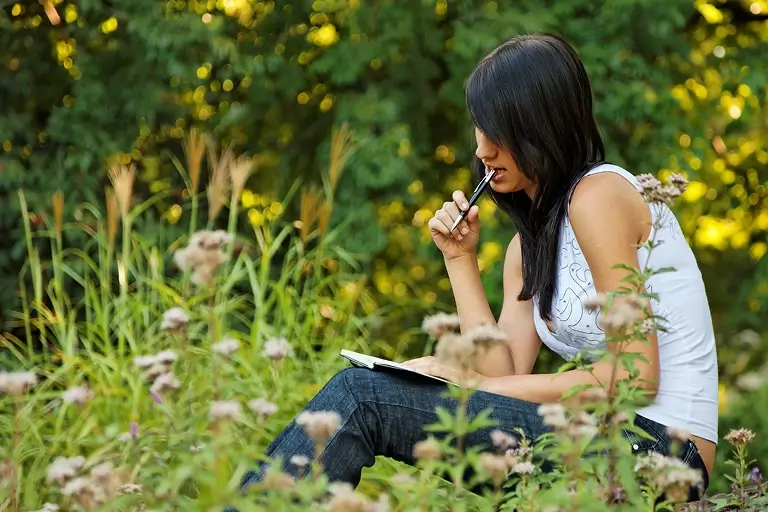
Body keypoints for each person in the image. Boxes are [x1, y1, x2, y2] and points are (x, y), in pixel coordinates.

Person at [241, 33, 718, 502]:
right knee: (368, 393)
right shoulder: (526, 248)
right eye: (479, 127)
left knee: (363, 397)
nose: (482, 150)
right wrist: (459, 260)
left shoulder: (599, 196)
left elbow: (636, 377)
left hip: (663, 451)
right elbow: (503, 370)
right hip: (591, 437)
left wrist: (479, 385)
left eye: (499, 131)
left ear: (543, 127)